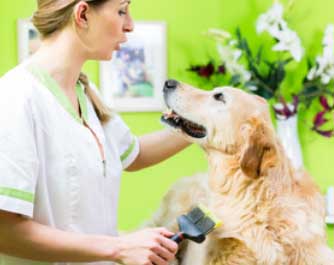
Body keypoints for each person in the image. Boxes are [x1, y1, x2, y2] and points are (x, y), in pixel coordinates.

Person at [0, 0, 192, 264]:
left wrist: (200, 125)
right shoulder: (15, 98)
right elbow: (4, 232)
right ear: (82, 14)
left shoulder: (86, 96)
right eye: (122, 11)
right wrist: (119, 248)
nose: (130, 25)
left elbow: (134, 154)